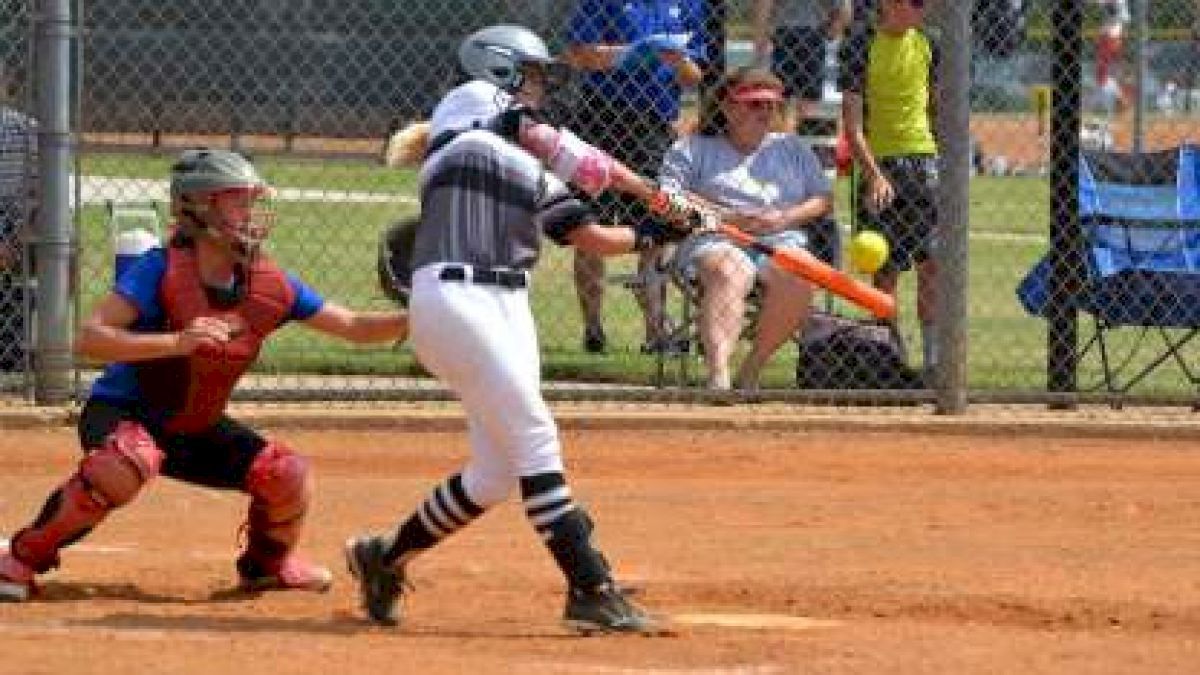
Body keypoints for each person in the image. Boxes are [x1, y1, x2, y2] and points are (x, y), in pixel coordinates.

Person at [344, 24, 703, 634]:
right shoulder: (465, 116)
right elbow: (559, 144)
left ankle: (386, 557)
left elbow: (590, 237)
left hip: (508, 307)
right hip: (456, 298)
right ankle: (590, 585)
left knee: (496, 472)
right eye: (533, 76)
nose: (540, 92)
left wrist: (670, 228)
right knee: (537, 437)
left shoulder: (528, 170)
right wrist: (647, 189)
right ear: (501, 71)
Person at [0, 149, 408, 602]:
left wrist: (422, 313)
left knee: (286, 474)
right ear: (199, 207)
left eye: (251, 201)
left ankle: (266, 565)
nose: (250, 213)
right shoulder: (158, 269)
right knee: (125, 462)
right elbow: (91, 339)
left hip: (193, 426)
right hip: (123, 412)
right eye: (238, 201)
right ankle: (19, 560)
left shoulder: (267, 284)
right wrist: (175, 342)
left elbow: (353, 327)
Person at [660, 67, 832, 392]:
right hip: (714, 238)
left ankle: (751, 371)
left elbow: (822, 199)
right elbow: (668, 196)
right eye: (755, 104)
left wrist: (784, 218)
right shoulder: (694, 148)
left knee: (798, 274)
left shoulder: (790, 148)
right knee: (730, 269)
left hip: (779, 239)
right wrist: (726, 216)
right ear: (727, 107)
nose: (766, 112)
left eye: (771, 105)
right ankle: (719, 377)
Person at [563, 0, 707, 354]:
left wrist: (677, 61)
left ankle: (655, 332)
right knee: (588, 224)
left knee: (655, 228)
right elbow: (579, 54)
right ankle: (593, 329)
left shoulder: (689, 5)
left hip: (654, 125)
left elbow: (695, 76)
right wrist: (636, 52)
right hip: (601, 118)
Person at [838, 0, 940, 377]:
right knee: (885, 269)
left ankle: (933, 361)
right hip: (879, 164)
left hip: (924, 162)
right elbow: (852, 123)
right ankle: (891, 357)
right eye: (917, 4)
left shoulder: (929, 44)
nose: (923, 10)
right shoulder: (861, 43)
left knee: (933, 263)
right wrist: (874, 174)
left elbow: (936, 107)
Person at [752, 0, 852, 131]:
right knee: (804, 97)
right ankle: (794, 132)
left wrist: (760, 42)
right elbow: (844, 9)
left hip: (788, 31)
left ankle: (786, 132)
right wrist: (833, 29)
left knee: (783, 95)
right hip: (811, 33)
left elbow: (763, 6)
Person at [0, 72, 37, 373]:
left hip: (12, 227)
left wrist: (13, 243)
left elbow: (44, 201)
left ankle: (12, 350)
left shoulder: (26, 131)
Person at [1094, 0, 1131, 112]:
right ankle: (1121, 100)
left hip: (1110, 38)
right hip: (1110, 37)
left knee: (1102, 76)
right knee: (1105, 75)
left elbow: (1121, 16)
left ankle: (1122, 100)